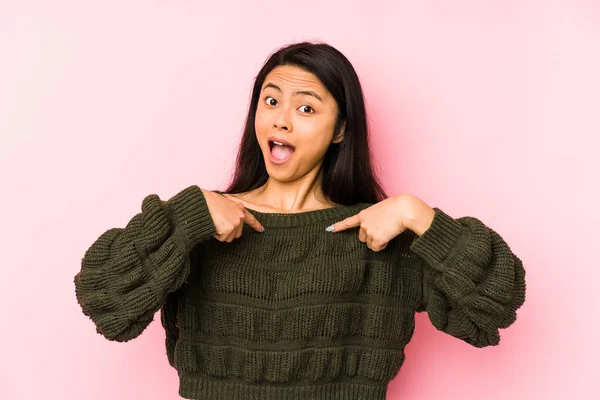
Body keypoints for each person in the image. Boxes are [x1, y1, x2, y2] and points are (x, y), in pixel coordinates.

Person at [73, 41, 526, 400]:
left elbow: (496, 304)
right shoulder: (204, 224)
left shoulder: (378, 234)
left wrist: (419, 216)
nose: (282, 120)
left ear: (341, 129)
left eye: (306, 108)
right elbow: (105, 302)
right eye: (271, 101)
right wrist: (185, 214)